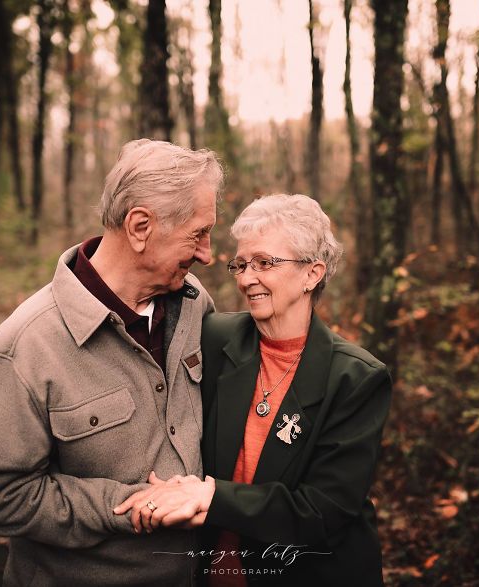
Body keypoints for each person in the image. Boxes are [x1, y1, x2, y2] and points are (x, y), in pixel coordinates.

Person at [0, 139, 222, 586]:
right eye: (197, 234)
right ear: (140, 226)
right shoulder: (25, 345)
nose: (207, 253)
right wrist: (131, 508)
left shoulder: (196, 303)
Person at [115, 194, 392, 586]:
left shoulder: (355, 378)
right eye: (241, 264)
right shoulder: (213, 338)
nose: (247, 278)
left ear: (312, 273)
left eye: (265, 263)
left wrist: (209, 497)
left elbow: (321, 512)